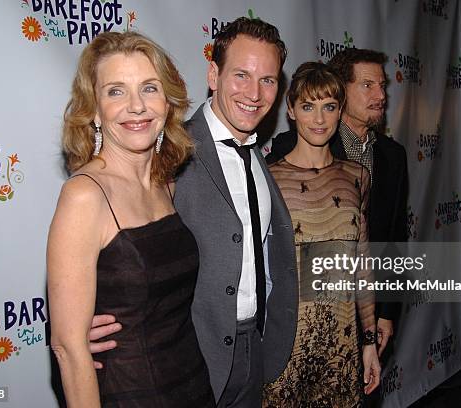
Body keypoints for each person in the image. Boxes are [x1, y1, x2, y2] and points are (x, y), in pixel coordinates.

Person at [87, 18, 298, 407]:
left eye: (268, 80)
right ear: (214, 75)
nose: (254, 93)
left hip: (255, 351)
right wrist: (79, 322)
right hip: (188, 357)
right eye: (241, 75)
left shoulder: (260, 155)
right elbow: (109, 236)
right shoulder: (167, 150)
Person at [47, 31, 215, 407]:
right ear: (93, 109)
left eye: (149, 88)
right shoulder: (85, 196)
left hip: (192, 384)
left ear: (168, 102)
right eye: (116, 91)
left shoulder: (165, 184)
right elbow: (69, 348)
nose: (136, 106)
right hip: (129, 394)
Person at [267, 48, 408, 357]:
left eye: (382, 85)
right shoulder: (285, 151)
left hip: (363, 314)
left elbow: (394, 239)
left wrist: (386, 312)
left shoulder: (393, 156)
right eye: (368, 85)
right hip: (300, 322)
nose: (380, 94)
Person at [263, 62, 380, 407]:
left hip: (342, 345)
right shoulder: (268, 180)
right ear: (291, 110)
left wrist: (369, 342)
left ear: (339, 111)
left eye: (329, 107)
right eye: (308, 106)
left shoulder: (357, 175)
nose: (318, 119)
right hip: (286, 347)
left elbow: (363, 265)